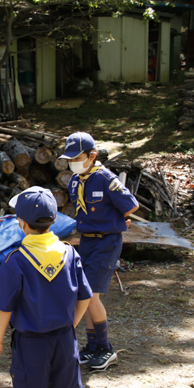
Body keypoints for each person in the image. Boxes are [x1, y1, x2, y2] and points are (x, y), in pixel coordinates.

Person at [0, 187, 93, 388]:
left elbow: (5, 307)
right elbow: (85, 297)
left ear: (22, 223)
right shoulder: (69, 253)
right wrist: (70, 327)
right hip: (65, 341)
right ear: (53, 221)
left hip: (31, 345)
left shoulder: (16, 260)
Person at [59, 132, 139, 370]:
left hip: (106, 243)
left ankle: (105, 348)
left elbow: (131, 205)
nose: (73, 162)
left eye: (77, 157)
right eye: (69, 158)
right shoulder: (75, 181)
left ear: (92, 156)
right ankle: (92, 346)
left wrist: (116, 221)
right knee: (83, 294)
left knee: (91, 295)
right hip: (86, 242)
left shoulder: (105, 178)